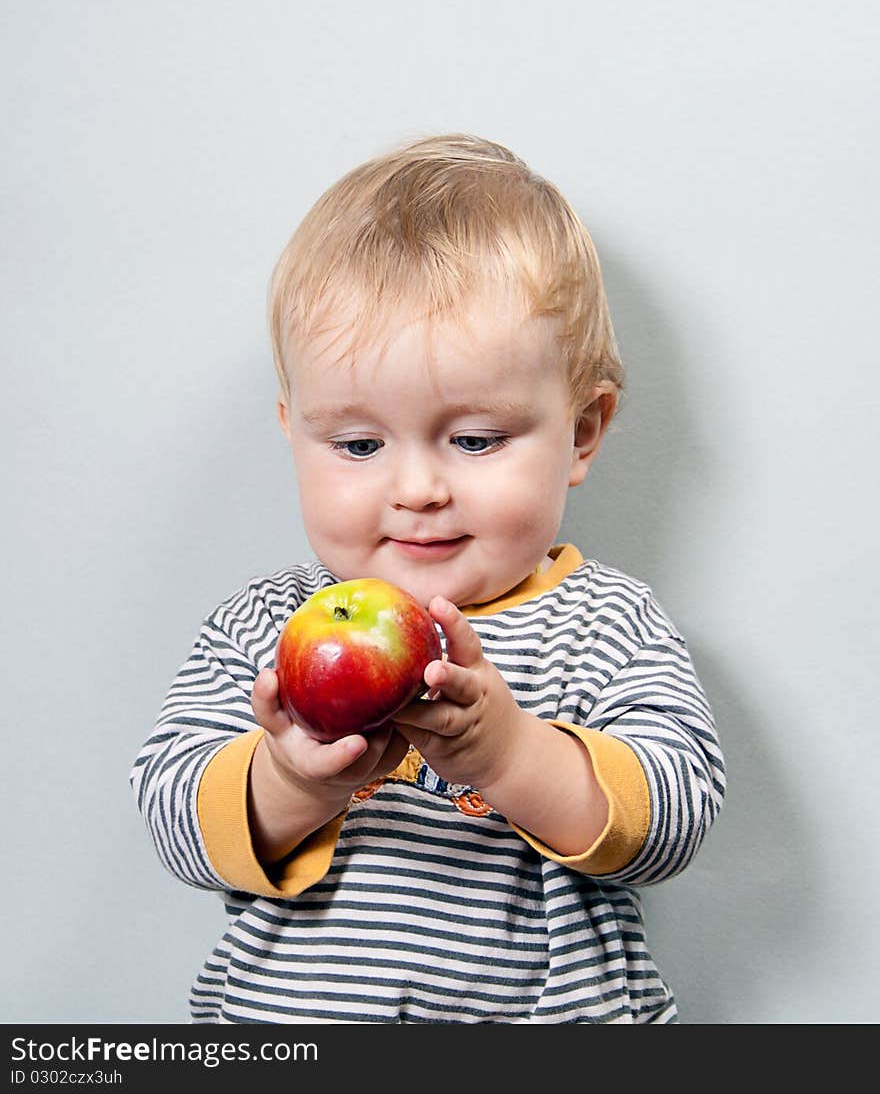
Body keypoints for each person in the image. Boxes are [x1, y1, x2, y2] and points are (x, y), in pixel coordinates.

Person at [131, 133, 725, 1024]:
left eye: (476, 439)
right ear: (295, 433)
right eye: (359, 445)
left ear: (584, 431)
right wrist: (294, 782)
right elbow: (175, 817)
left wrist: (507, 753)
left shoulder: (606, 623)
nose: (416, 490)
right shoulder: (263, 629)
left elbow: (672, 818)